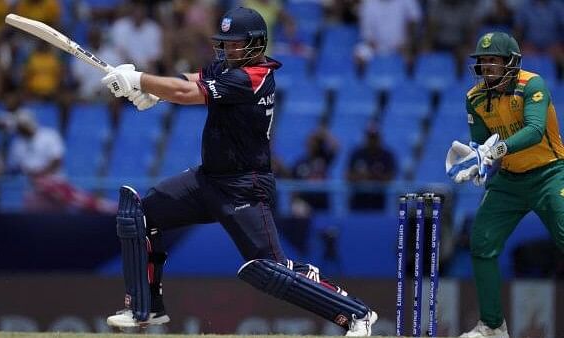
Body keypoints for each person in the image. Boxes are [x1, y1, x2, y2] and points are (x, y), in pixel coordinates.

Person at [99, 7, 377, 336]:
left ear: (257, 45)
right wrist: (150, 89)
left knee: (271, 270)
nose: (229, 49)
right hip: (208, 180)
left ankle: (356, 314)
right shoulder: (228, 67)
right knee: (139, 217)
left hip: (245, 187)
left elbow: (188, 94)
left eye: (237, 44)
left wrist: (139, 81)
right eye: (226, 43)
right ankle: (145, 309)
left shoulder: (254, 76)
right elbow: (190, 81)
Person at [447, 32, 564, 338]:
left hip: (550, 174)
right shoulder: (474, 98)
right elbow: (484, 144)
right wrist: (477, 162)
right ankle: (492, 326)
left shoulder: (532, 84)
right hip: (510, 180)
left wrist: (494, 152)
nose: (487, 66)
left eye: (493, 61)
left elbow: (535, 130)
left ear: (511, 62)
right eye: (483, 61)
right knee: (482, 243)